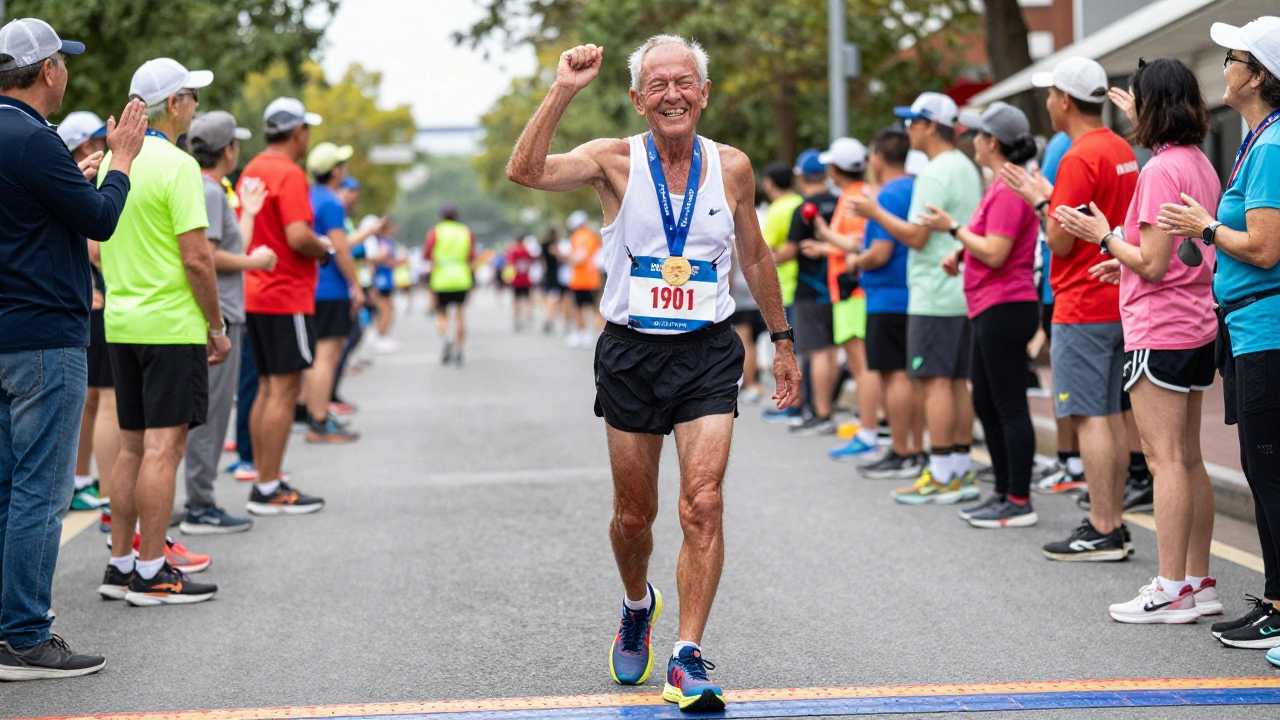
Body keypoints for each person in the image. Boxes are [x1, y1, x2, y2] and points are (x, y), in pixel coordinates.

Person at [506, 37, 800, 712]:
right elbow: (523, 171)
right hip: (631, 354)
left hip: (707, 350)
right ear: (638, 99)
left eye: (685, 82)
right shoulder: (614, 159)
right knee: (634, 517)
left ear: (703, 92)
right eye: (658, 84)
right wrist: (563, 90)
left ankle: (686, 656)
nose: (674, 94)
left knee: (704, 503)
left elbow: (754, 255)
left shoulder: (732, 167)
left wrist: (783, 342)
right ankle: (637, 603)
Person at [0, 16, 145, 680]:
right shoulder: (34, 138)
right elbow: (101, 220)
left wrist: (73, 171)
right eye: (64, 63)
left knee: (8, 487)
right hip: (43, 336)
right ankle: (27, 635)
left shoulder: (25, 140)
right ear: (49, 70)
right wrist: (119, 162)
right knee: (41, 489)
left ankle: (10, 629)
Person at [1056, 58, 1222, 622]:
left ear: (1150, 107)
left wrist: (1103, 238)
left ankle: (1170, 585)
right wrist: (1121, 261)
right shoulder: (1198, 162)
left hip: (1160, 327)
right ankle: (1198, 581)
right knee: (1189, 459)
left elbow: (1151, 264)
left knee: (1163, 459)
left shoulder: (1159, 171)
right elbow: (1178, 251)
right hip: (1197, 321)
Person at [1157, 16, 1280, 660]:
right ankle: (1276, 600)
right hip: (1247, 326)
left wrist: (1206, 227)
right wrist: (1199, 231)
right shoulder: (1258, 140)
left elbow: (1263, 248)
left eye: (1232, 56)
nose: (1223, 67)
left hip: (1268, 326)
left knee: (1270, 468)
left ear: (1257, 73)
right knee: (1264, 470)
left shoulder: (1275, 144)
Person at [94, 58, 228, 606]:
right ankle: (152, 573)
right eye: (190, 96)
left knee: (131, 450)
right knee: (163, 450)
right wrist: (215, 325)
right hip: (170, 326)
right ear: (172, 105)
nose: (194, 106)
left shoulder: (112, 162)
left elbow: (98, 248)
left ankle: (120, 564)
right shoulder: (177, 167)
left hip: (121, 321)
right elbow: (197, 260)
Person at [1005, 57, 1139, 561]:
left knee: (1091, 415)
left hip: (1083, 300)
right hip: (1118, 294)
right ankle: (1114, 522)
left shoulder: (1079, 158)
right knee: (1109, 412)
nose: (1047, 103)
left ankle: (1103, 526)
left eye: (1050, 94)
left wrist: (1041, 202)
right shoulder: (1121, 147)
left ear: (1064, 99)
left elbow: (1059, 241)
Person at [917, 102, 1041, 527]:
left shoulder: (1008, 187)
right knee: (987, 403)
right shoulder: (1000, 184)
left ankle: (1018, 499)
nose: (971, 141)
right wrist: (961, 250)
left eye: (977, 135)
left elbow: (997, 250)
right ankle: (1004, 492)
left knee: (1007, 404)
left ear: (992, 142)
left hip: (1005, 306)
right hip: (993, 305)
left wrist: (953, 230)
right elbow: (987, 243)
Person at [859, 92, 981, 505]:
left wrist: (876, 214)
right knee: (956, 381)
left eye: (913, 121)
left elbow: (915, 235)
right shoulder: (965, 166)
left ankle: (943, 471)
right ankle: (960, 469)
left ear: (931, 126)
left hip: (933, 290)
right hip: (963, 287)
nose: (908, 129)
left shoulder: (933, 172)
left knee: (934, 383)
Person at [179, 111, 275, 535]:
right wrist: (256, 261)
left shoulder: (208, 189)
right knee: (211, 415)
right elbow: (211, 255)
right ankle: (201, 505)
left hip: (219, 313)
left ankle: (199, 500)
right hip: (220, 315)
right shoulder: (210, 192)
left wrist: (249, 214)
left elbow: (221, 243)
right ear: (228, 150)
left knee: (209, 413)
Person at [238, 97, 330, 516]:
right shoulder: (290, 174)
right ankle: (270, 486)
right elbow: (297, 236)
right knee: (284, 391)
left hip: (255, 291)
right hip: (285, 293)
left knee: (267, 389)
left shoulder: (253, 169)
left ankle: (264, 478)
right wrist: (323, 245)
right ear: (298, 133)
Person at [841, 128, 924, 479]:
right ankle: (914, 450)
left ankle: (902, 450)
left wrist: (857, 261)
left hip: (887, 295)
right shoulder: (915, 186)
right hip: (910, 293)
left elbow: (880, 251)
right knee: (911, 376)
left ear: (876, 157)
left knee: (895, 376)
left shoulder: (888, 195)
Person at [813, 138, 881, 457]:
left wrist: (825, 235)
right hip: (855, 290)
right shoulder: (862, 194)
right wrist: (828, 247)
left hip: (852, 291)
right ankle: (872, 427)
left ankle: (868, 433)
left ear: (835, 170)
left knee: (862, 366)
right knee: (864, 365)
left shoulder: (854, 199)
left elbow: (858, 243)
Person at [59, 111, 112, 514]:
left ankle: (82, 480)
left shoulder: (65, 176)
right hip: (96, 298)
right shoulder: (79, 178)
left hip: (90, 296)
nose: (101, 145)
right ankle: (111, 496)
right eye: (94, 140)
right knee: (104, 399)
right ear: (81, 146)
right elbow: (94, 245)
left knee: (93, 400)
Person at [304, 141, 365, 443]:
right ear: (335, 171)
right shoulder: (331, 202)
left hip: (312, 287)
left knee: (317, 356)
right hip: (331, 289)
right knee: (326, 357)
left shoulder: (309, 196)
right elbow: (340, 248)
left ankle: (317, 415)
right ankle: (319, 419)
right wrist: (355, 284)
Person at [776, 150, 839, 435]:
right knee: (832, 350)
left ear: (801, 176)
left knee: (816, 353)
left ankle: (820, 413)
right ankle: (826, 410)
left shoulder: (803, 208)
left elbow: (789, 251)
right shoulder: (841, 202)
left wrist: (765, 257)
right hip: (840, 287)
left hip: (810, 290)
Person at [758, 161, 805, 425]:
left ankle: (792, 406)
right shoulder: (800, 202)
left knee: (788, 352)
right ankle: (800, 405)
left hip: (785, 287)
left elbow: (767, 254)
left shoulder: (777, 210)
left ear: (769, 184)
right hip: (809, 284)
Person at [425, 204, 476, 365]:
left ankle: (447, 337)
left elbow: (427, 253)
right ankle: (459, 347)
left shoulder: (436, 231)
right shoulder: (465, 231)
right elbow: (472, 254)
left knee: (442, 313)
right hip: (461, 275)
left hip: (441, 277)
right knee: (460, 313)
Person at [565, 210, 603, 348]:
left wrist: (564, 257)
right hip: (591, 279)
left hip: (580, 279)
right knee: (591, 308)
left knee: (580, 308)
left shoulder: (579, 236)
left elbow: (578, 257)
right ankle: (587, 334)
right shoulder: (591, 236)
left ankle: (582, 334)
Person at [539, 227, 565, 333]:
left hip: (547, 274)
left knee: (549, 298)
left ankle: (549, 317)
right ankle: (549, 318)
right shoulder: (553, 246)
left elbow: (541, 261)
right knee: (553, 298)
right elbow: (561, 258)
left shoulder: (543, 245)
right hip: (554, 276)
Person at [508, 235, 537, 331]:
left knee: (516, 301)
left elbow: (510, 264)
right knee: (527, 300)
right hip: (526, 280)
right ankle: (528, 315)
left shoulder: (513, 251)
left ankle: (517, 319)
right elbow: (531, 263)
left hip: (516, 280)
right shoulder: (527, 251)